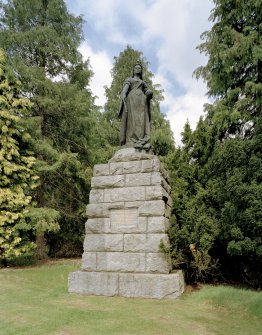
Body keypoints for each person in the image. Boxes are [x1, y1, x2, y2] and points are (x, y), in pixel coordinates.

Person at [118, 62, 153, 149]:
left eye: (139, 68)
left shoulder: (143, 82)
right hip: (132, 100)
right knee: (132, 120)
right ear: (133, 70)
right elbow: (125, 89)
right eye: (136, 68)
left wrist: (149, 93)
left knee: (141, 120)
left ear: (141, 71)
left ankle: (140, 140)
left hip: (142, 101)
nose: (137, 69)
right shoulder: (129, 79)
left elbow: (147, 91)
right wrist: (123, 94)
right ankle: (130, 140)